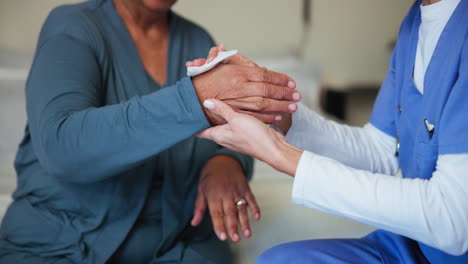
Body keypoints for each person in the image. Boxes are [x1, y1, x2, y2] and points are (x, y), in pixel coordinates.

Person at [0, 0, 301, 263]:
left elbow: (227, 128)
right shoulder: (73, 26)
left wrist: (226, 162)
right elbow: (61, 145)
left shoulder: (197, 39)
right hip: (59, 244)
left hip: (178, 244)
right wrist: (191, 100)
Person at [194, 0, 468, 263]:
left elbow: (453, 220)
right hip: (414, 246)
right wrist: (277, 113)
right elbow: (380, 151)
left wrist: (281, 154)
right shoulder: (414, 24)